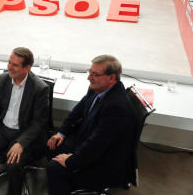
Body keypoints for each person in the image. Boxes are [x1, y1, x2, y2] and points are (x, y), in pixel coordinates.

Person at [46, 55, 136, 194]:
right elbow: (77, 111)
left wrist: (70, 161)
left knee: (54, 168)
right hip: (86, 138)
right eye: (89, 72)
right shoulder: (98, 88)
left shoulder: (116, 107)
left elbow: (97, 144)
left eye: (95, 74)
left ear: (111, 78)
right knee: (51, 146)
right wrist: (61, 133)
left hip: (103, 159)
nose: (89, 77)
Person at [0, 47, 49, 195]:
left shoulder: (39, 88)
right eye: (9, 62)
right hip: (3, 129)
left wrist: (21, 143)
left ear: (27, 68)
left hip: (23, 133)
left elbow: (38, 122)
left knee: (13, 165)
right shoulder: (4, 79)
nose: (9, 67)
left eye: (15, 65)